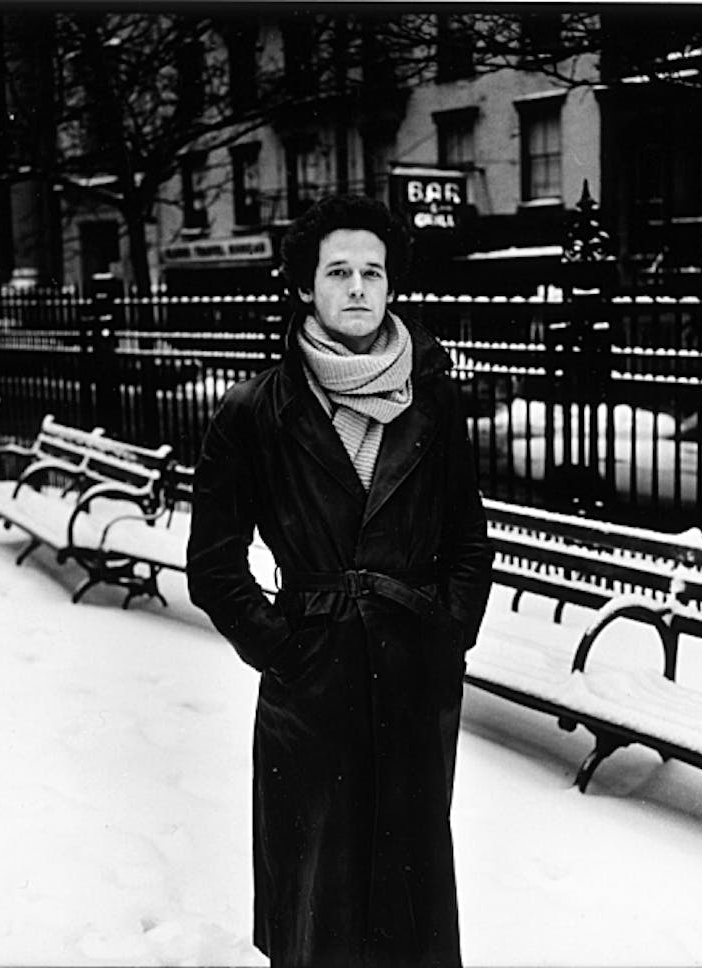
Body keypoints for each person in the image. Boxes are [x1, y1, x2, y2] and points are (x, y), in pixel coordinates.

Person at [187, 194, 493, 968]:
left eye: (373, 272)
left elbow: (467, 537)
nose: (358, 287)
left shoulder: (435, 398)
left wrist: (447, 638)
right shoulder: (254, 411)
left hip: (414, 682)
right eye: (338, 271)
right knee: (317, 907)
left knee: (410, 910)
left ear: (392, 285)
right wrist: (283, 651)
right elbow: (213, 565)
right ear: (304, 285)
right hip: (312, 693)